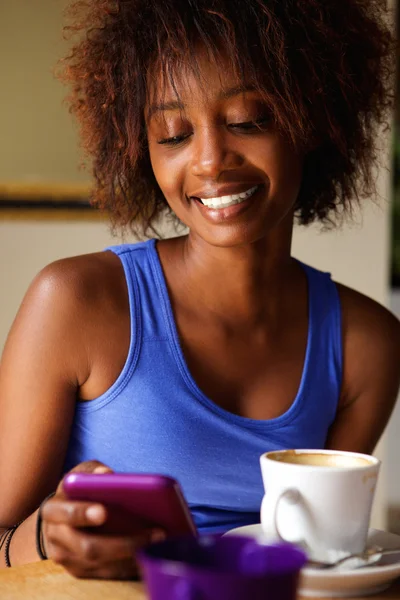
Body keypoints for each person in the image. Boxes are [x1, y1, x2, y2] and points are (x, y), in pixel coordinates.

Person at [0, 0, 399, 581]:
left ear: (313, 119)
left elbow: (329, 559)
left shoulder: (368, 346)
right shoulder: (76, 303)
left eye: (247, 120)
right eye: (173, 133)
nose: (210, 161)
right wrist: (46, 534)